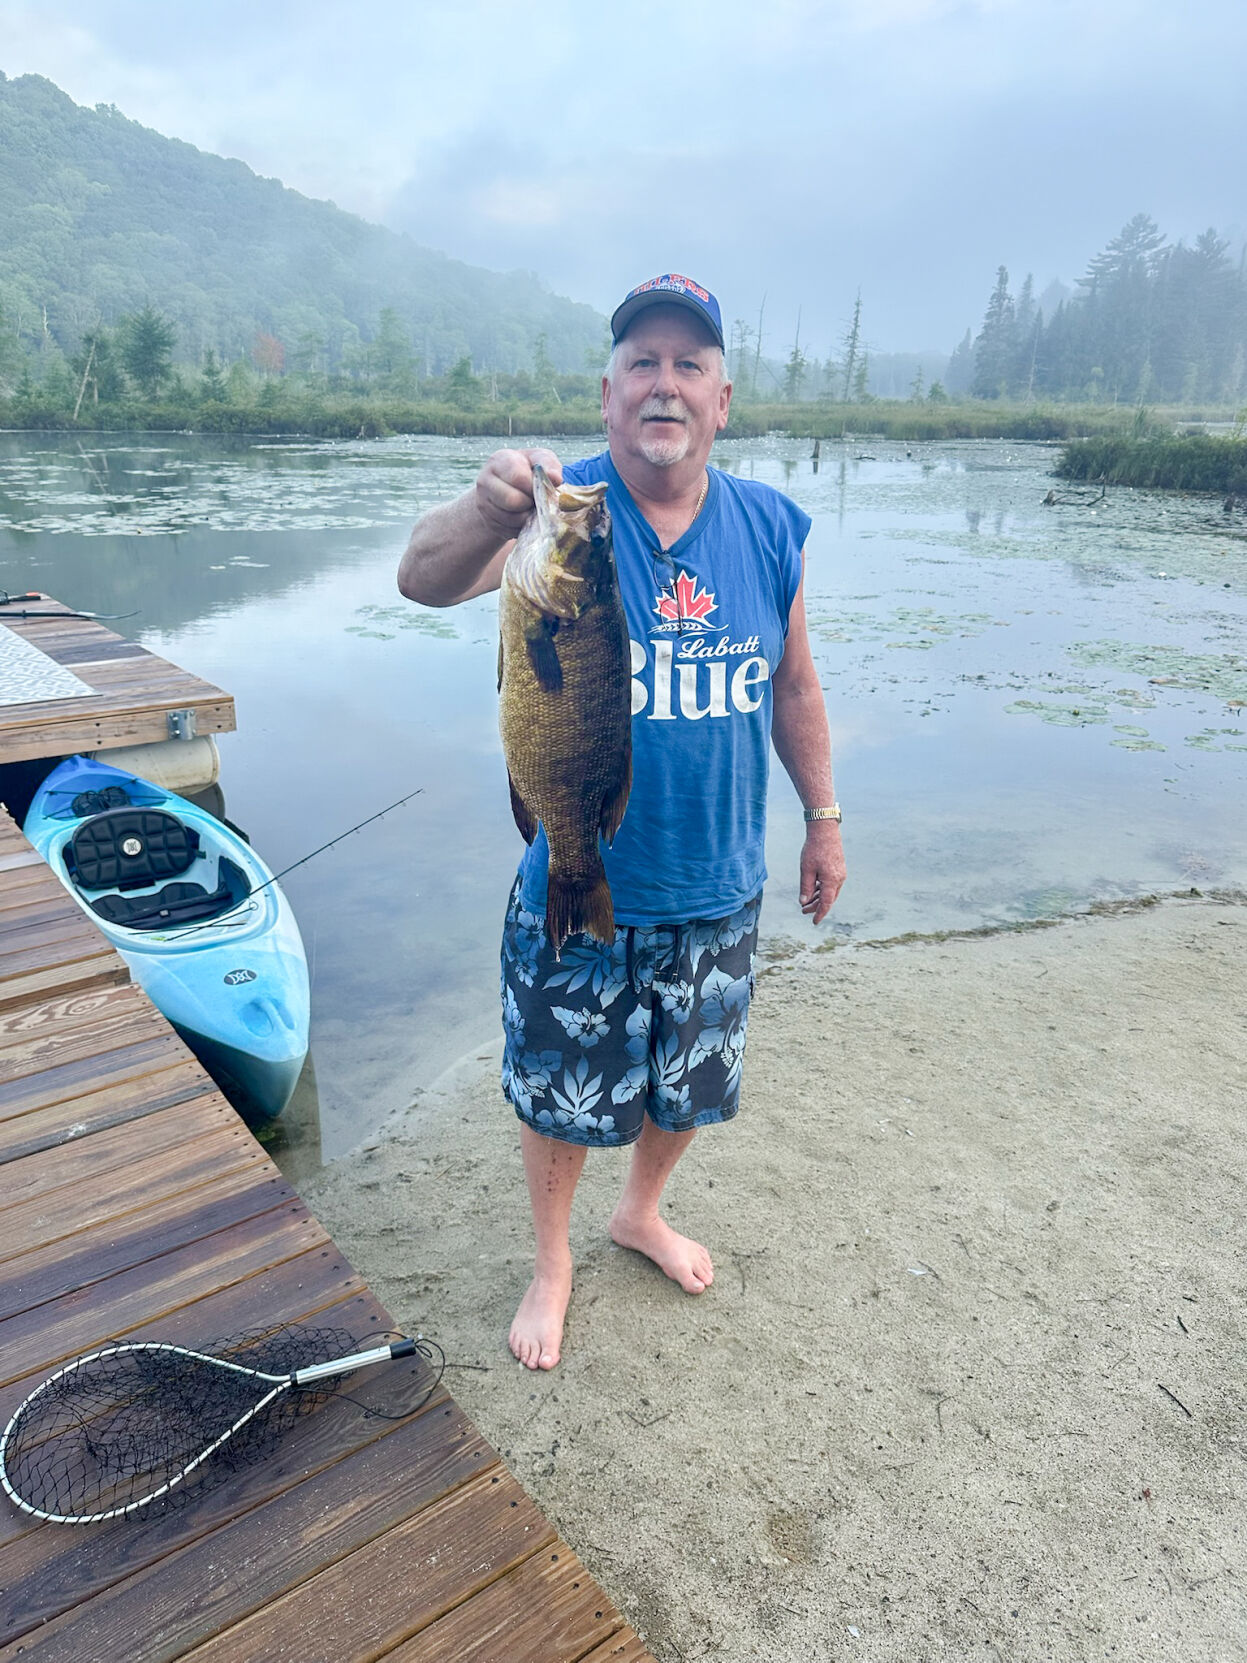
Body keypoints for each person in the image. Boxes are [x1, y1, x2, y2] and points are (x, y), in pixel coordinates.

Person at [398, 273, 846, 1371]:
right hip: (574, 858)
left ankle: (638, 1210)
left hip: (717, 878)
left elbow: (793, 688)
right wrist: (484, 509)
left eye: (687, 365)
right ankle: (551, 1259)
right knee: (560, 1087)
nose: (664, 384)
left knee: (687, 1078)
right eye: (641, 363)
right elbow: (419, 580)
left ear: (721, 399)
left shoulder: (772, 528)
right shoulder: (559, 517)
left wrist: (822, 817)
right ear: (607, 396)